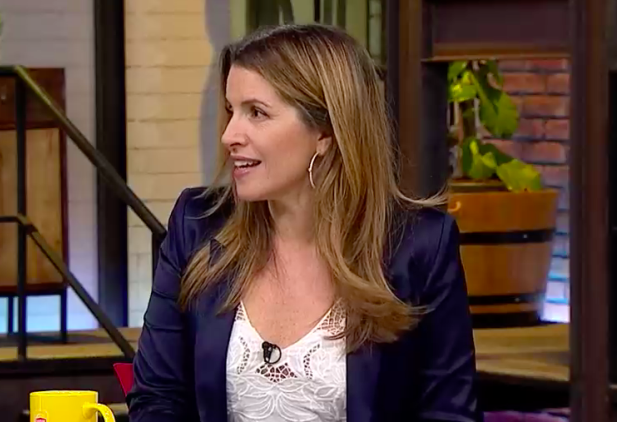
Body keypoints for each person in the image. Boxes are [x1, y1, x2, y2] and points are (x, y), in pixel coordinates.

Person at [127, 23, 479, 422]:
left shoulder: (419, 245)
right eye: (231, 111)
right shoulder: (197, 225)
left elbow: (450, 413)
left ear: (325, 131)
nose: (229, 135)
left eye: (256, 113)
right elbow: (157, 397)